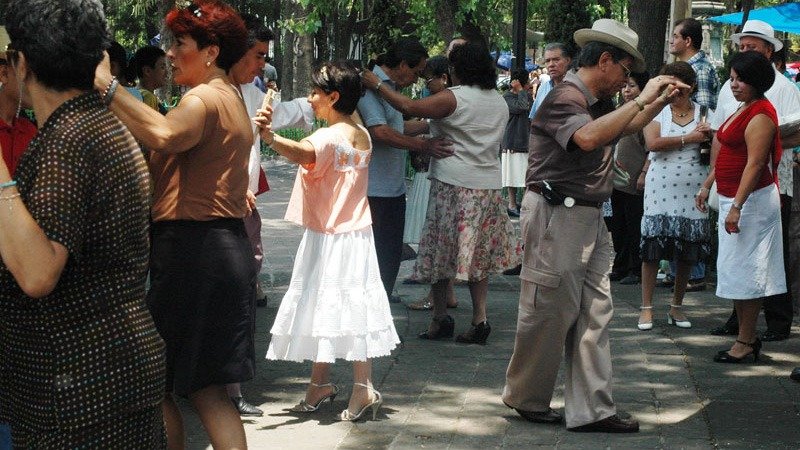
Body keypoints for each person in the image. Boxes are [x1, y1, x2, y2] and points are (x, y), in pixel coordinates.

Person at [502, 18, 688, 433]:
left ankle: (593, 410)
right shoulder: (565, 97)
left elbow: (629, 124)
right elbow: (585, 139)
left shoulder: (593, 99)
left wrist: (659, 99)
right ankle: (527, 397)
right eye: (624, 69)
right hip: (558, 214)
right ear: (605, 61)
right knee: (549, 310)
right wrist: (644, 100)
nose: (626, 79)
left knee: (595, 315)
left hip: (585, 215)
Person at [0, 0, 166, 447]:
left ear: (22, 62)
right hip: (109, 376)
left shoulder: (67, 141)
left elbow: (37, 273)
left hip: (77, 390)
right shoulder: (100, 125)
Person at [94, 1, 254, 447]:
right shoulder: (229, 95)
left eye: (179, 43)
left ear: (210, 50)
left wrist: (107, 86)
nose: (169, 53)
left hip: (194, 254)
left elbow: (165, 134)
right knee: (206, 390)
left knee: (157, 382)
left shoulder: (203, 97)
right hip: (215, 250)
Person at [260, 60, 400, 421]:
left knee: (338, 306)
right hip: (355, 233)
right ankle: (321, 384)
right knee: (341, 305)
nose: (311, 99)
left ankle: (362, 387)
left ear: (334, 96)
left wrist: (271, 138)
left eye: (315, 93)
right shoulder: (361, 132)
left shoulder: (330, 136)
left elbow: (304, 153)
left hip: (332, 236)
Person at [361, 41, 520, 345]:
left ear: (458, 69)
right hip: (487, 187)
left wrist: (376, 84)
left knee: (439, 250)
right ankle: (480, 317)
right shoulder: (498, 101)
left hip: (453, 185)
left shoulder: (454, 98)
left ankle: (440, 318)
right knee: (479, 255)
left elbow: (407, 106)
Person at [708, 20, 800, 342]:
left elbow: (771, 147)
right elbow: (720, 133)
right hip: (733, 187)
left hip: (765, 186)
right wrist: (711, 179)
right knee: (737, 262)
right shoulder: (730, 89)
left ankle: (776, 323)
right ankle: (740, 324)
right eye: (742, 46)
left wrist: (762, 139)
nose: (745, 50)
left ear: (768, 50)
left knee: (766, 258)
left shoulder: (783, 90)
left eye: (752, 46)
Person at [696, 51, 784, 363]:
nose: (733, 84)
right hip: (735, 197)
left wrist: (737, 206)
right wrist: (708, 185)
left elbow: (756, 164)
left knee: (749, 271)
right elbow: (725, 156)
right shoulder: (742, 107)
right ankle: (744, 337)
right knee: (734, 270)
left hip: (753, 202)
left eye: (740, 79)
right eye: (732, 78)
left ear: (757, 81)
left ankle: (746, 340)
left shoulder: (760, 114)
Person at [356, 37, 453, 303]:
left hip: (392, 187)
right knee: (380, 255)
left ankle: (380, 302)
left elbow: (398, 127)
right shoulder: (369, 88)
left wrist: (434, 125)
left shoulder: (389, 89)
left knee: (389, 255)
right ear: (401, 64)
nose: (416, 79)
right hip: (374, 189)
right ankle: (374, 309)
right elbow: (381, 132)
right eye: (416, 72)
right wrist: (424, 146)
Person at [226, 12, 275, 418]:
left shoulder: (250, 95)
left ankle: (229, 384)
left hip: (240, 211)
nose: (262, 65)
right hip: (219, 215)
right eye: (258, 55)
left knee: (240, 296)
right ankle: (224, 386)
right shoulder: (211, 96)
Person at [637, 62, 711, 331]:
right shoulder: (657, 110)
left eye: (679, 85)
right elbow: (653, 143)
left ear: (690, 87)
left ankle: (677, 306)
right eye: (669, 84)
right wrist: (691, 137)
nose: (674, 90)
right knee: (653, 247)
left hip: (693, 185)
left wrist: (708, 138)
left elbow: (712, 148)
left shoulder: (705, 112)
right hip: (661, 185)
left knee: (687, 249)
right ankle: (646, 308)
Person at [665, 17, 720, 292]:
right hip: (678, 145)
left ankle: (694, 273)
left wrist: (693, 136)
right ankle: (678, 272)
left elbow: (705, 113)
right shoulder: (686, 67)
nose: (671, 40)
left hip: (694, 149)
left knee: (691, 210)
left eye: (675, 36)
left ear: (688, 41)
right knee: (677, 210)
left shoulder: (701, 70)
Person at [405, 56, 458, 312]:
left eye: (429, 79)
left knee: (438, 240)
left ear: (444, 78)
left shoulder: (447, 100)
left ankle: (436, 297)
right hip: (443, 174)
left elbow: (411, 108)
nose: (426, 84)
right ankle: (445, 294)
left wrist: (379, 87)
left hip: (440, 174)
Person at [609, 71, 650, 285]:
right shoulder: (619, 111)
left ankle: (636, 268)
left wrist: (643, 173)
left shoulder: (646, 114)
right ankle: (620, 265)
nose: (627, 90)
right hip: (616, 179)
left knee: (635, 224)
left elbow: (651, 149)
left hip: (636, 179)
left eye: (632, 86)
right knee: (619, 225)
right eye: (624, 85)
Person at [501, 68, 533, 216]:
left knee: (526, 176)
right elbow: (522, 107)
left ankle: (525, 205)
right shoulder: (507, 97)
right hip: (513, 140)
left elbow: (529, 108)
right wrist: (521, 91)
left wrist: (523, 92)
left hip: (525, 140)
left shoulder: (526, 96)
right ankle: (512, 205)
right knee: (512, 176)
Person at [527, 42, 571, 121]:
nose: (551, 64)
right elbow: (534, 119)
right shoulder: (543, 88)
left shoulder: (576, 86)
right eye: (547, 61)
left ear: (567, 60)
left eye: (556, 60)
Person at [132, 45, 168, 113]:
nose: (166, 72)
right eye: (162, 67)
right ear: (147, 71)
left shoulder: (135, 93)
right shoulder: (147, 96)